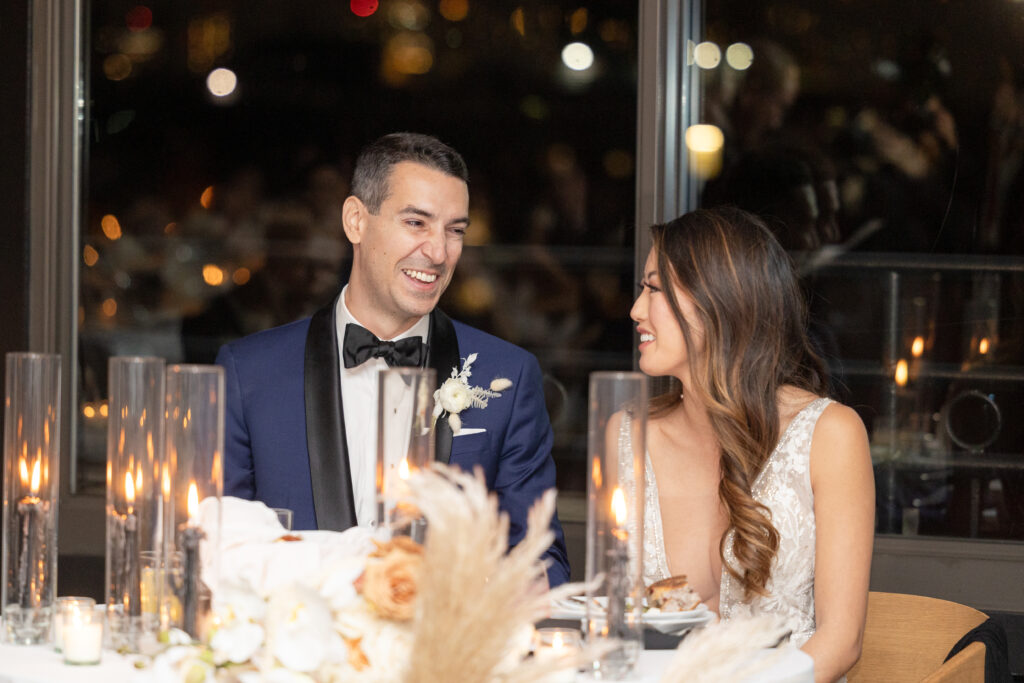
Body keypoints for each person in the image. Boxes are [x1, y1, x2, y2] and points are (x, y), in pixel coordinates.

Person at [215, 132, 570, 586]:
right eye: (416, 223)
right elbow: (221, 550)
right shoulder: (249, 374)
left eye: (455, 230)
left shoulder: (508, 376)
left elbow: (544, 564)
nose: (439, 252)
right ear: (356, 221)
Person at [628, 207, 873, 681]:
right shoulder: (627, 435)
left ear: (719, 302)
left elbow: (841, 641)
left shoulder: (830, 435)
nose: (636, 310)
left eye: (654, 289)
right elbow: (630, 611)